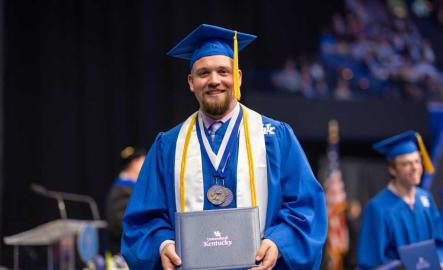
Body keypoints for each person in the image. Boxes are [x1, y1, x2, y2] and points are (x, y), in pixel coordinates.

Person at [121, 24, 327, 270]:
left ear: (237, 77)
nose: (214, 81)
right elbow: (143, 219)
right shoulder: (169, 145)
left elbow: (306, 207)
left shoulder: (275, 137)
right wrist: (163, 244)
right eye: (204, 73)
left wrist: (278, 242)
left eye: (223, 71)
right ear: (191, 82)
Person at [357, 131, 443, 269]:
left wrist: (441, 261)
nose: (415, 168)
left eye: (417, 161)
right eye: (406, 164)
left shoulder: (426, 200)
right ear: (392, 169)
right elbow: (372, 261)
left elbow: (440, 242)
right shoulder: (378, 207)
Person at [105, 146, 145, 255]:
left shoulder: (133, 187)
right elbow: (121, 224)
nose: (145, 164)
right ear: (133, 164)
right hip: (124, 251)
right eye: (142, 160)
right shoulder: (122, 189)